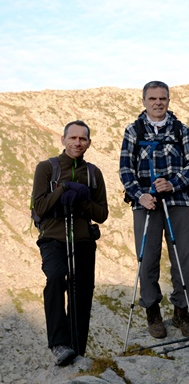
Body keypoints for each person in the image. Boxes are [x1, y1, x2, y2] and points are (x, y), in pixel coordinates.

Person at [120, 81, 189, 339]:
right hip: (146, 203)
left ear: (168, 100)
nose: (158, 102)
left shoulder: (181, 130)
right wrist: (140, 195)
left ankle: (182, 309)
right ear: (144, 101)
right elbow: (125, 169)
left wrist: (172, 184)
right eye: (152, 98)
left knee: (184, 256)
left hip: (178, 201)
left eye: (162, 98)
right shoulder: (133, 131)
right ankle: (152, 311)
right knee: (148, 257)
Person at [31, 120, 108, 366]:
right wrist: (63, 188)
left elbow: (102, 214)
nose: (78, 142)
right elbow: (39, 207)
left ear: (89, 143)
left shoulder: (93, 173)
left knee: (82, 293)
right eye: (73, 138)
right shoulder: (46, 168)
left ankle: (76, 350)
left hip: (84, 240)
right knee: (55, 277)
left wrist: (81, 200)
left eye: (83, 139)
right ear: (63, 140)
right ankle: (59, 344)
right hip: (53, 238)